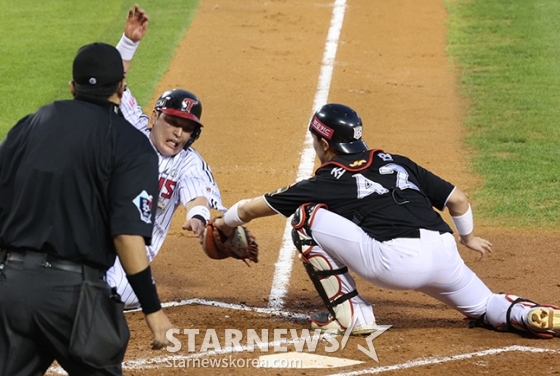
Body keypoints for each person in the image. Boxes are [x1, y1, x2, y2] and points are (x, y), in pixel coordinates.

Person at [212, 103, 560, 338]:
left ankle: (352, 315)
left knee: (304, 217)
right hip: (444, 251)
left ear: (322, 141)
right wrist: (467, 237)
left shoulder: (327, 179)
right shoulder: (398, 161)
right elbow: (457, 199)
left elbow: (253, 209)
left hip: (396, 263)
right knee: (483, 306)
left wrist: (224, 224)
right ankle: (524, 314)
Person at [0, 40, 173, 374]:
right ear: (121, 89)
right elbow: (126, 235)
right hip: (73, 299)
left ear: (72, 86)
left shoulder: (31, 124)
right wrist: (152, 310)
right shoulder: (130, 144)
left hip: (13, 288)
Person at [105, 5, 226, 309]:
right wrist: (129, 42)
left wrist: (198, 219)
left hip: (129, 262)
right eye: (173, 123)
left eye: (186, 129)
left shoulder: (188, 163)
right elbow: (111, 84)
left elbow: (197, 197)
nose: (178, 134)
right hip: (93, 236)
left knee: (103, 293)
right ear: (156, 116)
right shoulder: (133, 126)